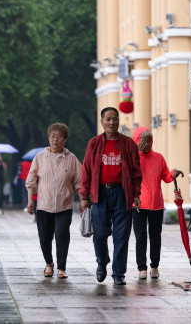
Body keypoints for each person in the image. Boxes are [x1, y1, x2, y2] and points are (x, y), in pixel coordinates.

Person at [79, 107, 142, 285]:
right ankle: (102, 262)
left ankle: (118, 273)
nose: (112, 122)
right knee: (99, 234)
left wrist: (136, 194)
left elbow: (137, 172)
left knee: (121, 235)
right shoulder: (94, 143)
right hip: (100, 194)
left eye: (115, 119)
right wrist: (84, 197)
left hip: (123, 193)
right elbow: (86, 170)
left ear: (118, 121)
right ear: (102, 122)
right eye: (108, 119)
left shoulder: (129, 144)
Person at [26, 123, 81, 279]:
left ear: (65, 139)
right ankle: (49, 264)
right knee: (44, 237)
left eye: (59, 136)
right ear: (48, 138)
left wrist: (84, 200)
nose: (55, 139)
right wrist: (30, 201)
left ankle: (61, 268)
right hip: (43, 205)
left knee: (62, 235)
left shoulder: (71, 159)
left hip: (64, 206)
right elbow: (31, 180)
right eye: (52, 136)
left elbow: (79, 182)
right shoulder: (40, 157)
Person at [132, 126, 183, 279]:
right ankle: (142, 268)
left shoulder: (159, 158)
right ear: (137, 141)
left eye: (149, 140)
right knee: (140, 237)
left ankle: (154, 266)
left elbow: (166, 176)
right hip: (138, 205)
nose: (146, 144)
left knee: (156, 237)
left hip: (157, 205)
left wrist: (172, 174)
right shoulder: (132, 159)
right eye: (143, 140)